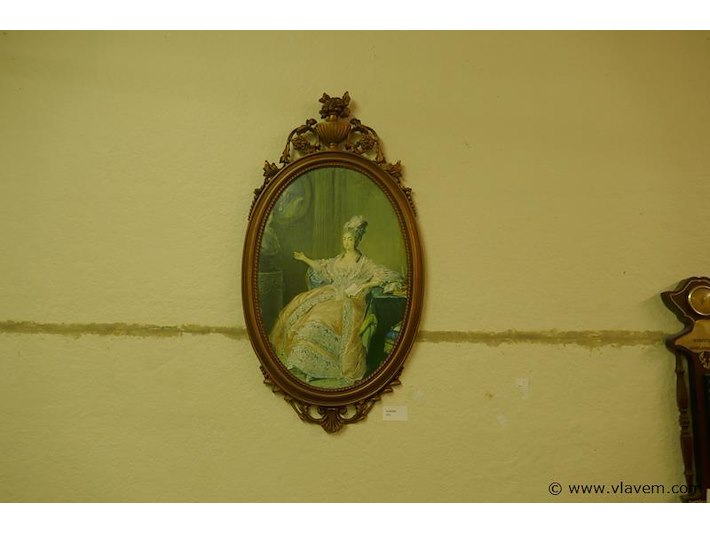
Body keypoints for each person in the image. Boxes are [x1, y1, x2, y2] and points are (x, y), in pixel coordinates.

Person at [269, 216, 403, 388]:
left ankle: (322, 368)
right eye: (345, 239)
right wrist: (304, 258)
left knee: (322, 319)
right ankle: (304, 364)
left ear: (357, 241)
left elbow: (383, 276)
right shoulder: (338, 259)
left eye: (350, 239)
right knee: (310, 314)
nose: (347, 243)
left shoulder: (364, 263)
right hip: (332, 294)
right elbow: (322, 267)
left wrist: (364, 285)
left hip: (351, 301)